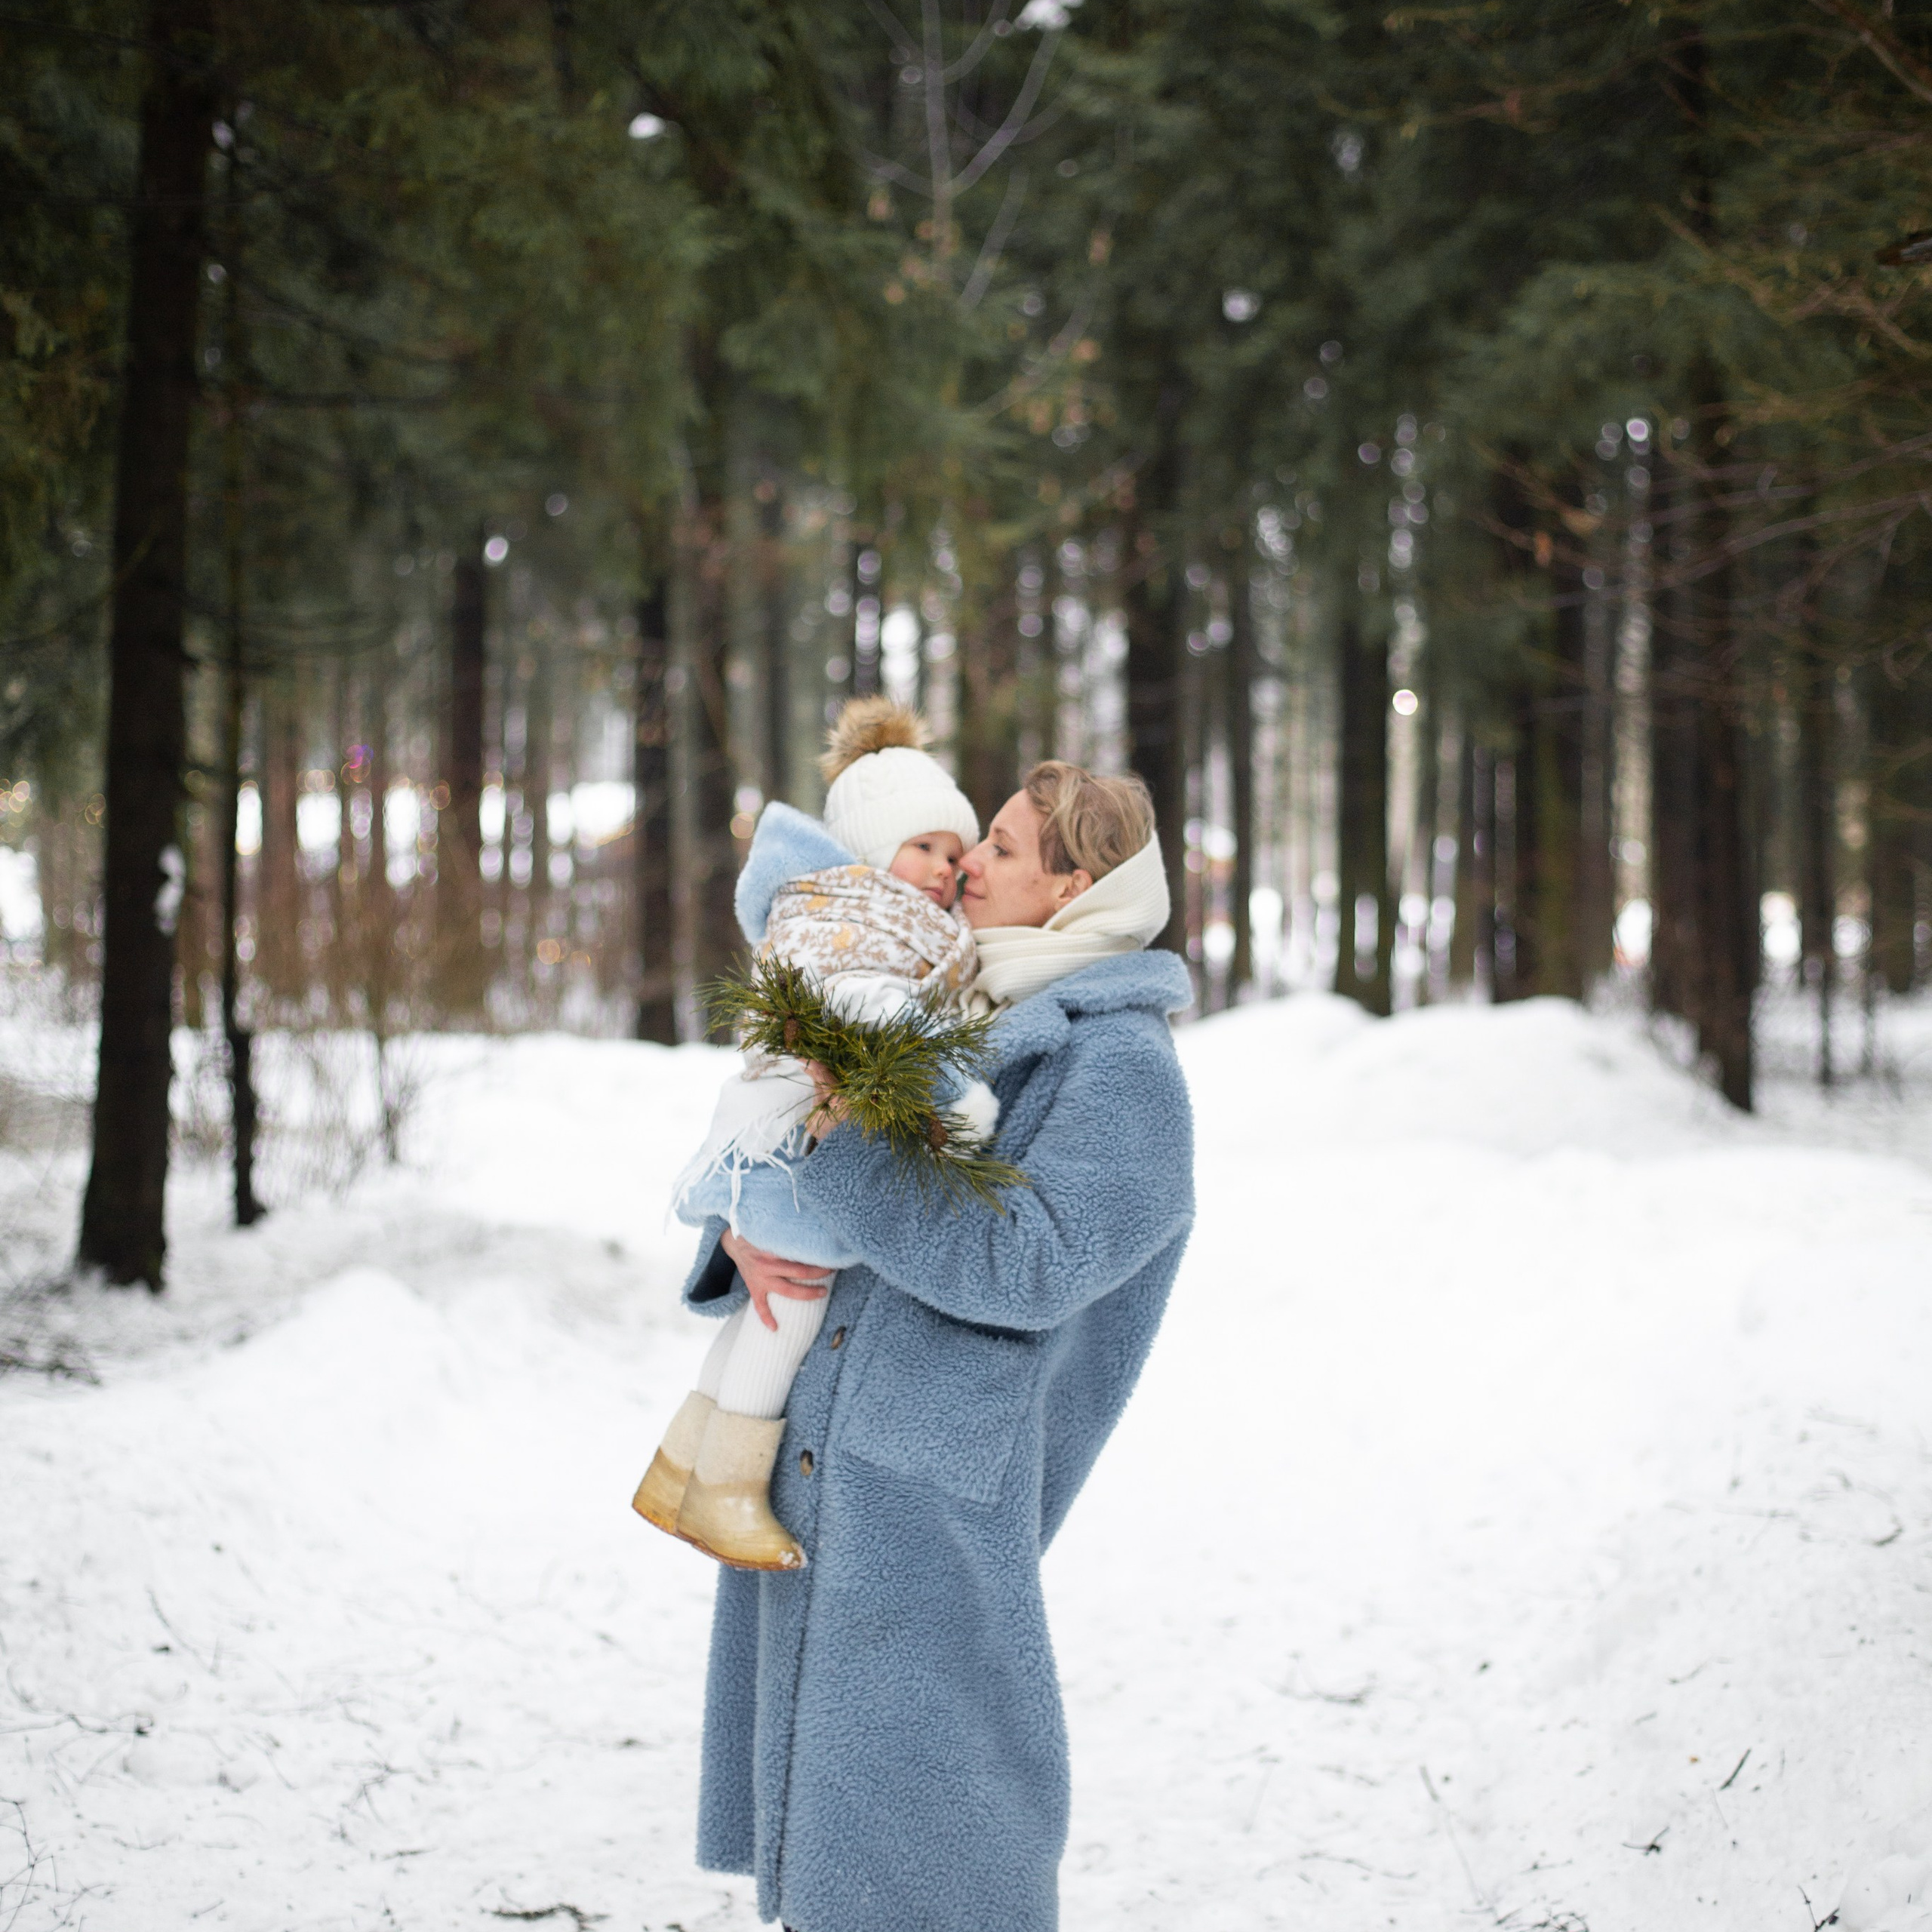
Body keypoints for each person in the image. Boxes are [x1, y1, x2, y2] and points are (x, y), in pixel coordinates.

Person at [673, 758, 1196, 1932]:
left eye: (1002, 847)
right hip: (839, 1457)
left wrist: (843, 1155)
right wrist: (746, 1234)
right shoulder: (963, 997)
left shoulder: (1122, 1068)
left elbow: (1033, 1264)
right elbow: (791, 1142)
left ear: (1075, 885)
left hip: (937, 1490)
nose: (969, 865)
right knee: (837, 1845)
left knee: (943, 1834)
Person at [633, 698, 992, 1571]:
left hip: (773, 1148)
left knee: (759, 1308)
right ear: (873, 850)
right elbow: (875, 1014)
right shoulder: (859, 923)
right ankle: (727, 1494)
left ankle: (680, 1468)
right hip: (793, 1155)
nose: (944, 870)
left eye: (955, 854)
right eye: (924, 847)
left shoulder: (858, 915)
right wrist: (962, 1104)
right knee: (790, 1301)